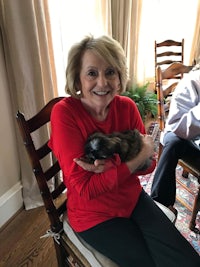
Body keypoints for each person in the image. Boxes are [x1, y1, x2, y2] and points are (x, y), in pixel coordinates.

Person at [48, 35, 200, 267]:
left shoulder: (126, 107)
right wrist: (135, 157)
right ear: (77, 80)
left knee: (187, 260)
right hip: (94, 216)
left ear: (119, 78)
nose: (102, 83)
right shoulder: (64, 114)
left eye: (110, 72)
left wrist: (116, 167)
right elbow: (85, 189)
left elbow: (149, 165)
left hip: (132, 198)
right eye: (91, 73)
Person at [151, 65, 200, 220]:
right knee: (172, 142)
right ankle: (161, 207)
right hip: (189, 138)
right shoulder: (193, 81)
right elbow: (177, 126)